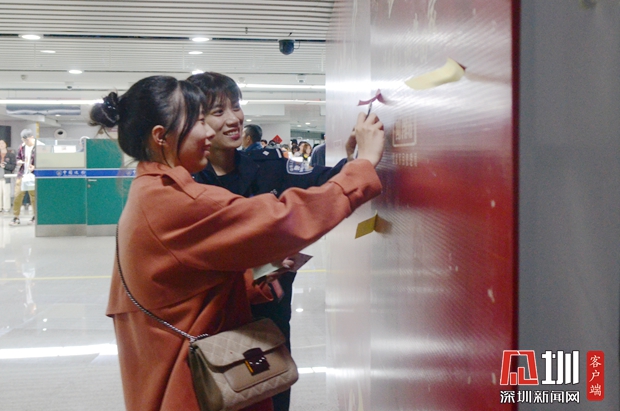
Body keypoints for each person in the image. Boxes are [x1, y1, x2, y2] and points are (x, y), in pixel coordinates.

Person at [90, 75, 384, 411]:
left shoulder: (150, 191)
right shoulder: (177, 201)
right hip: (193, 387)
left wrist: (255, 280)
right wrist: (363, 166)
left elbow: (185, 286)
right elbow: (282, 219)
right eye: (201, 120)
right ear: (161, 136)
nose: (210, 132)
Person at [187, 71, 358, 411]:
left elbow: (322, 182)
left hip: (269, 316)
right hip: (212, 319)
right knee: (220, 393)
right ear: (196, 121)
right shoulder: (188, 183)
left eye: (236, 107)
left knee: (270, 391)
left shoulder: (268, 166)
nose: (234, 119)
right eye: (219, 111)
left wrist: (354, 160)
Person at [10, 129, 36, 225]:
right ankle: (16, 217)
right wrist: (19, 162)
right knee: (17, 195)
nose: (25, 141)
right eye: (23, 140)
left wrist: (35, 167)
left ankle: (35, 216)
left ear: (32, 137)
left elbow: (44, 161)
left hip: (34, 175)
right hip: (22, 174)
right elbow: (18, 158)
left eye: (26, 139)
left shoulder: (39, 147)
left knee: (34, 197)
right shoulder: (22, 147)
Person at [0, 139, 17, 213]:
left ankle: (6, 207)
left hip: (6, 175)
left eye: (2, 143)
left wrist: (5, 166)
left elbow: (13, 166)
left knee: (6, 192)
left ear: (5, 144)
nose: (1, 145)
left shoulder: (11, 155)